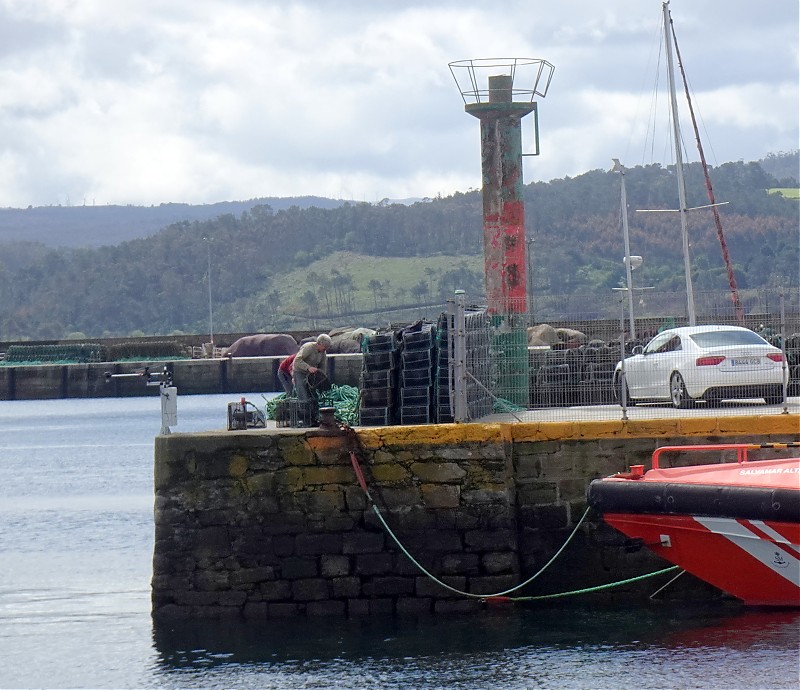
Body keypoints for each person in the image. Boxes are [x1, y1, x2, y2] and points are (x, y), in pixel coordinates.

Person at [292, 334, 332, 404]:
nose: (326, 349)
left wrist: (322, 377)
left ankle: (314, 411)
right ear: (319, 343)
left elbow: (322, 366)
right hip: (300, 372)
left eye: (327, 347)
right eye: (325, 347)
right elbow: (297, 361)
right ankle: (304, 411)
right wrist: (308, 367)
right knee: (303, 395)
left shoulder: (323, 352)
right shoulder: (308, 347)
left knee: (313, 395)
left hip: (311, 375)